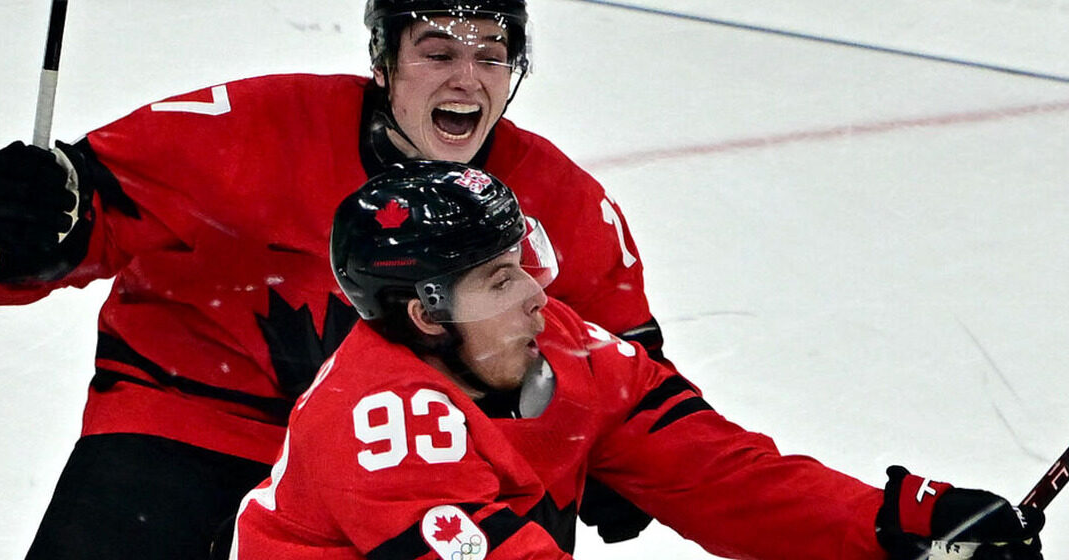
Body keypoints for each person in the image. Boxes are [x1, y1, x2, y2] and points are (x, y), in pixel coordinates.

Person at [0, 1, 660, 558]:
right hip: (197, 420)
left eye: (490, 53)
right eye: (438, 52)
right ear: (383, 62)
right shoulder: (255, 127)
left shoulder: (563, 200)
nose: (467, 78)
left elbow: (628, 364)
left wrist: (624, 454)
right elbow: (90, 207)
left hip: (410, 452)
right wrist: (38, 217)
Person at [232, 160, 1046, 560]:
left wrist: (892, 523)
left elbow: (720, 478)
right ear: (427, 315)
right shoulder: (383, 428)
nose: (537, 296)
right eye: (499, 279)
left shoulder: (558, 348)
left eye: (521, 263)